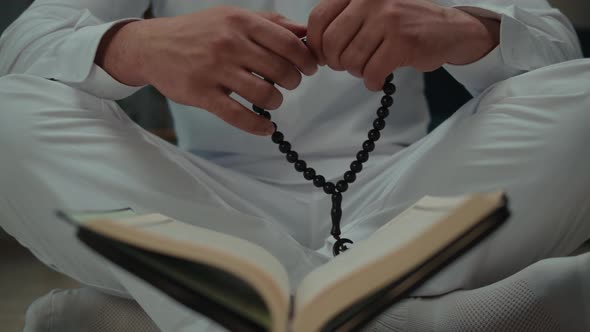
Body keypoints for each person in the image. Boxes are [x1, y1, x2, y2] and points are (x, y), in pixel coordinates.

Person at [0, 0, 589, 330]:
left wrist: (464, 29)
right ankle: (425, 318)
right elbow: (23, 49)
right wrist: (136, 46)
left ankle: (193, 312)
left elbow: (555, 48)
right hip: (208, 213)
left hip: (403, 204)